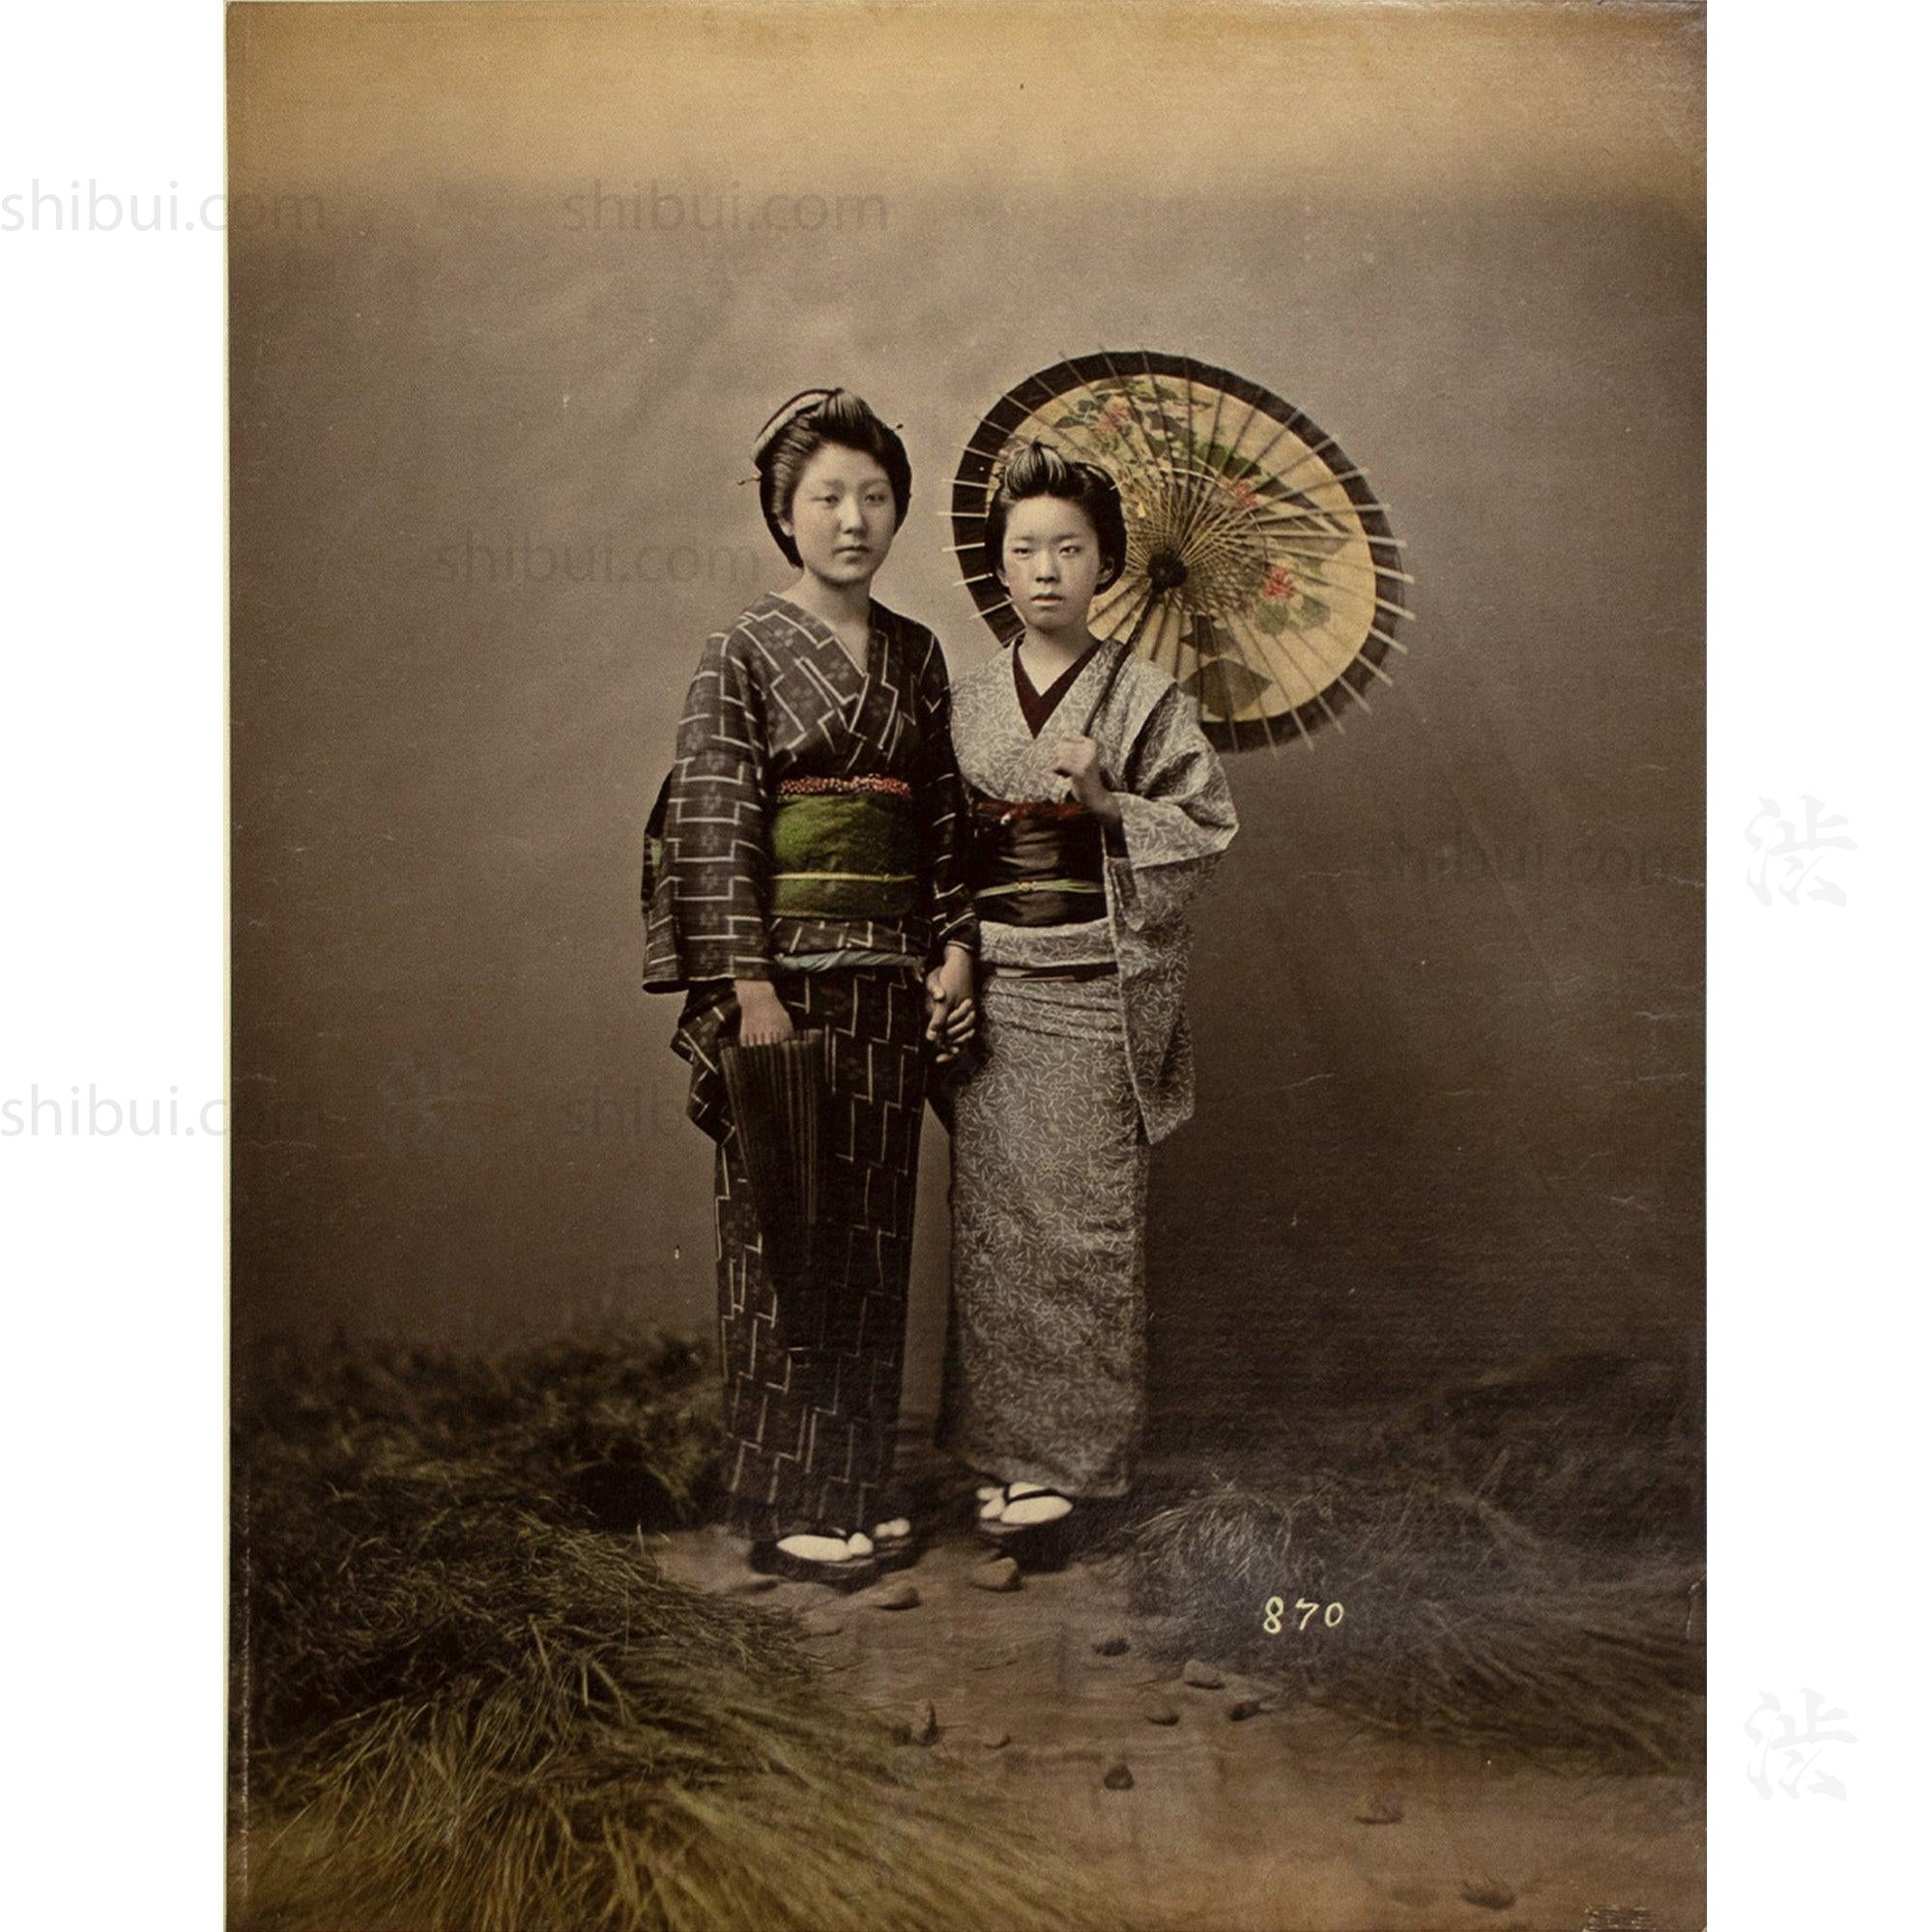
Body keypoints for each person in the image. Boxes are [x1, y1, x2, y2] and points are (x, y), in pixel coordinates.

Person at [642, 389, 976, 1587]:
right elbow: (714, 824)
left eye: (875, 495)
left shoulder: (916, 652)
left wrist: (953, 945)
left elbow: (941, 816)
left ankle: (857, 1481)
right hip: (782, 984)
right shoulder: (738, 649)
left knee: (876, 1235)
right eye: (827, 496)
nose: (854, 517)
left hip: (889, 980)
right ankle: (787, 1498)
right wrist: (749, 985)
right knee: (786, 1236)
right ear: (785, 513)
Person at [936, 439, 1237, 1565]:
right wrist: (954, 957)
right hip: (997, 987)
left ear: (1107, 562)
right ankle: (1008, 1458)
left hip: (1095, 996)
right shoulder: (964, 702)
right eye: (1026, 549)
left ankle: (1071, 1471)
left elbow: (1207, 827)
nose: (1047, 568)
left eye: (1071, 547)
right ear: (998, 565)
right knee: (999, 1231)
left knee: (1084, 1232)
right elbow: (938, 850)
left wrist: (1109, 805)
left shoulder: (1145, 696)